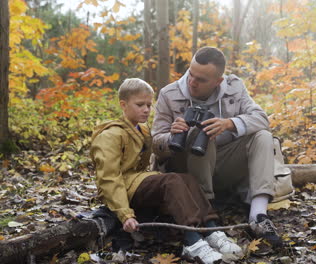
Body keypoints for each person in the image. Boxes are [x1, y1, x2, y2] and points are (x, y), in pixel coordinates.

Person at [90, 78, 242, 264]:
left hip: (136, 182)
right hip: (121, 189)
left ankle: (211, 230)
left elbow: (144, 163)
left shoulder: (142, 130)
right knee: (171, 181)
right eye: (140, 105)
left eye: (149, 104)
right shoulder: (110, 135)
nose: (146, 109)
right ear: (123, 104)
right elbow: (109, 178)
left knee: (186, 179)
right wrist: (125, 214)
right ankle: (192, 242)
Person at [151, 47, 283, 248]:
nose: (192, 82)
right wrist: (173, 135)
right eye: (190, 74)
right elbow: (154, 144)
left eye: (201, 80)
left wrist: (229, 123)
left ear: (218, 81)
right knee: (200, 133)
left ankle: (258, 215)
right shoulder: (169, 94)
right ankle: (207, 210)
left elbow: (262, 119)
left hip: (224, 163)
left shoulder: (234, 87)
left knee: (263, 136)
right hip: (187, 172)